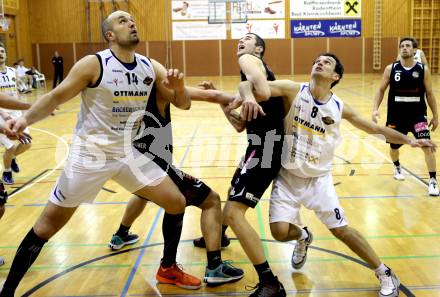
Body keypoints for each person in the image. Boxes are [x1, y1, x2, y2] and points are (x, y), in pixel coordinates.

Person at [0, 10, 193, 295]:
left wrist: (178, 89)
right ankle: (7, 292)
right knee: (46, 227)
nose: (131, 23)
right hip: (90, 156)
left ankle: (167, 269)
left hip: (128, 154)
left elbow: (184, 104)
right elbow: (56, 95)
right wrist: (25, 118)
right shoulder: (94, 64)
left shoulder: (149, 65)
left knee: (176, 202)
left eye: (132, 19)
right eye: (122, 21)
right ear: (110, 35)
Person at [239, 53, 435, 297]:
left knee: (341, 230)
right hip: (288, 177)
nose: (319, 62)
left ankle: (385, 272)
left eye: (326, 62)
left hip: (318, 180)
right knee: (279, 232)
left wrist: (409, 140)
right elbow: (249, 83)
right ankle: (303, 236)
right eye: (316, 60)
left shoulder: (340, 107)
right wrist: (247, 95)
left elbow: (374, 129)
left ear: (335, 76)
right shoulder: (292, 90)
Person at [108, 83, 244, 289]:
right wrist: (247, 96)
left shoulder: (130, 95)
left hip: (134, 163)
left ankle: (120, 235)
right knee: (211, 200)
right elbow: (212, 95)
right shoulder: (158, 91)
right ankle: (212, 267)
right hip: (155, 164)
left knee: (144, 194)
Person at [196, 33, 286, 297]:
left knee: (235, 211)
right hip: (257, 147)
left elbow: (263, 91)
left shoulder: (249, 60)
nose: (241, 42)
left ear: (258, 49)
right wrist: (227, 104)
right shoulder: (250, 74)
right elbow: (239, 125)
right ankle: (220, 235)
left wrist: (245, 92)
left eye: (248, 39)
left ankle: (269, 282)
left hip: (266, 149)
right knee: (232, 194)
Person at [373, 37, 439, 196]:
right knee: (394, 147)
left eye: (408, 46)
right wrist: (375, 109)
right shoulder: (391, 69)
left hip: (418, 116)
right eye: (402, 46)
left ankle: (433, 180)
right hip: (396, 116)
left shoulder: (423, 69)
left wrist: (436, 116)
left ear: (415, 51)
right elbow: (381, 90)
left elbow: (429, 94)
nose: (404, 48)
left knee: (427, 146)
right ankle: (396, 166)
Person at [0, 44, 33, 185]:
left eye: (2, 51)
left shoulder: (13, 71)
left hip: (16, 113)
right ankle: (6, 172)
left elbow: (17, 94)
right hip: (1, 115)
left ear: (6, 54)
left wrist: (22, 111)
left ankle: (11, 158)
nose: (0, 53)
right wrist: (5, 114)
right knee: (10, 146)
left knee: (27, 143)